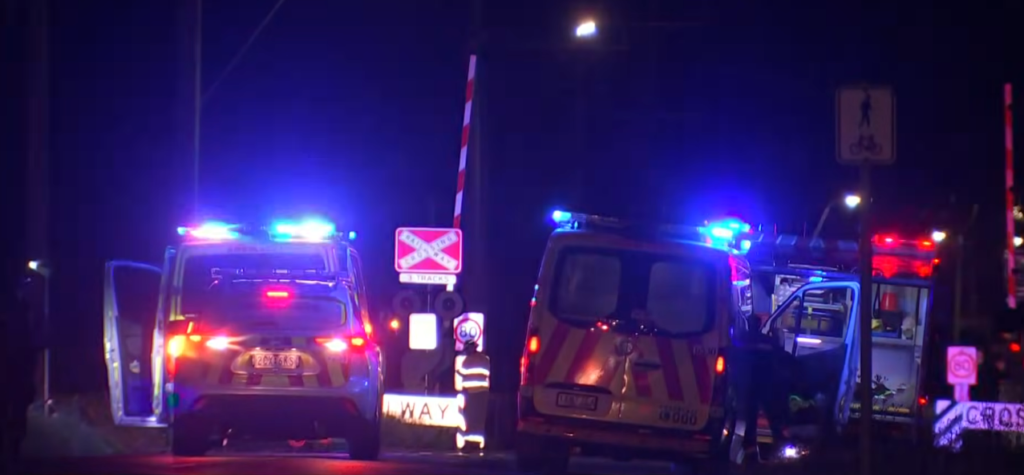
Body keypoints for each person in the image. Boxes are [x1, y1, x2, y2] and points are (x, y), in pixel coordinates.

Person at [733, 315, 795, 465]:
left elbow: (735, 354)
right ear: (760, 325)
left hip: (751, 386)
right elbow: (780, 352)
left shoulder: (743, 340)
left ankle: (750, 452)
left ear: (749, 324)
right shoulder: (767, 341)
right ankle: (781, 448)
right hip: (767, 386)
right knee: (774, 419)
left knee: (751, 420)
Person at [2, 273, 39, 470]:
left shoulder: (26, 310)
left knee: (16, 412)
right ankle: (11, 453)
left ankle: (13, 451)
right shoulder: (18, 311)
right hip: (13, 370)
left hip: (18, 371)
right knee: (13, 411)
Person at [455, 341, 489, 452]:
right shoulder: (485, 359)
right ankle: (479, 443)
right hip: (483, 394)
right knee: (479, 418)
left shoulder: (467, 360)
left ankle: (469, 444)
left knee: (470, 418)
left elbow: (461, 373)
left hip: (471, 393)